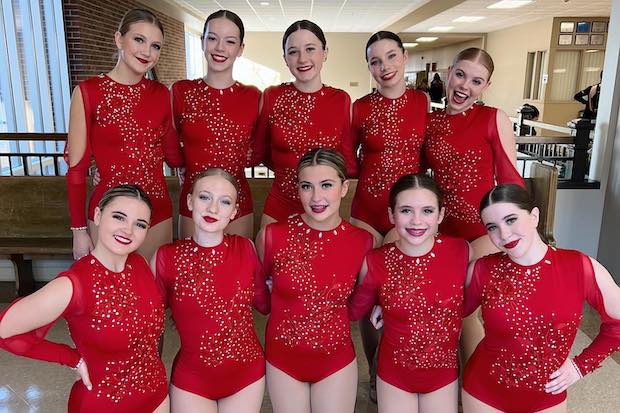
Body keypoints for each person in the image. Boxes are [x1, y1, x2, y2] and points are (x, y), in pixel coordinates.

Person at [0, 185, 169, 412]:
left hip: (156, 397)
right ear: (98, 216)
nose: (128, 230)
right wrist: (71, 358)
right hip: (104, 404)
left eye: (140, 224)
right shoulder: (74, 284)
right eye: (119, 217)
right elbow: (6, 331)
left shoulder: (139, 264)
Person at [463, 183, 620, 413]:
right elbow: (443, 317)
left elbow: (617, 324)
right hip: (484, 392)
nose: (504, 234)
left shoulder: (579, 266)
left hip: (547, 397)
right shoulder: (482, 270)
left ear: (534, 216)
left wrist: (580, 367)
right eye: (492, 227)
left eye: (511, 219)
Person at [424, 47, 524, 360]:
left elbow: (510, 180)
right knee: (438, 310)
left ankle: (477, 385)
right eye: (461, 75)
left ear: (486, 87)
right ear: (448, 72)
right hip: (441, 231)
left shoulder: (493, 118)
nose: (465, 86)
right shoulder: (430, 122)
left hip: (484, 231)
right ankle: (445, 378)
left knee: (463, 308)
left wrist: (517, 232)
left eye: (476, 81)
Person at [256, 148, 373, 413]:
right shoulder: (273, 236)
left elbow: (358, 307)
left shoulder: (362, 241)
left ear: (344, 188)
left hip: (336, 362)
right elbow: (260, 297)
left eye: (327, 185)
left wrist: (380, 305)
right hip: (283, 360)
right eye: (306, 186)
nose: (316, 197)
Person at [66, 8, 183, 262]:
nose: (147, 52)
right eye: (138, 40)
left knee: (153, 294)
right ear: (119, 39)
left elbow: (174, 156)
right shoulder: (88, 93)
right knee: (111, 296)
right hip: (108, 210)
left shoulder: (162, 94)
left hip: (157, 211)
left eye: (155, 46)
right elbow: (76, 170)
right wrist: (78, 232)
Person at [349, 174, 470, 413]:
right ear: (392, 215)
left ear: (440, 215)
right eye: (405, 211)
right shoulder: (375, 260)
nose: (416, 221)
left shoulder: (462, 251)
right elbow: (352, 312)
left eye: (427, 211)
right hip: (394, 376)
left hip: (443, 377)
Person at [153, 169, 269, 413]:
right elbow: (144, 323)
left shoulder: (246, 249)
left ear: (234, 212)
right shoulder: (166, 257)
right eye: (205, 197)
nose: (213, 209)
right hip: (192, 380)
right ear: (189, 201)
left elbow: (264, 304)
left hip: (245, 376)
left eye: (224, 202)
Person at [252, 20, 357, 228]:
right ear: (285, 58)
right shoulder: (272, 96)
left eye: (310, 49)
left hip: (323, 209)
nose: (302, 59)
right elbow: (259, 153)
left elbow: (348, 161)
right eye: (293, 52)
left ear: (325, 52)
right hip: (279, 206)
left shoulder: (341, 100)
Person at [172, 10, 260, 240]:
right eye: (212, 38)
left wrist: (244, 156)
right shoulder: (181, 91)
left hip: (237, 202)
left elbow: (264, 147)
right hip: (194, 202)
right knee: (192, 273)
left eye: (230, 41)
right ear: (202, 42)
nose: (220, 48)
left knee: (235, 273)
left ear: (240, 49)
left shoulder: (254, 96)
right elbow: (162, 140)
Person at [350, 31, 429, 246]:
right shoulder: (360, 107)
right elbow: (347, 155)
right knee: (365, 276)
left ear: (405, 56)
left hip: (409, 209)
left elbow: (426, 153)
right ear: (369, 67)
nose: (385, 67)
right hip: (367, 210)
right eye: (376, 62)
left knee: (399, 278)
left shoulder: (422, 101)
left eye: (391, 56)